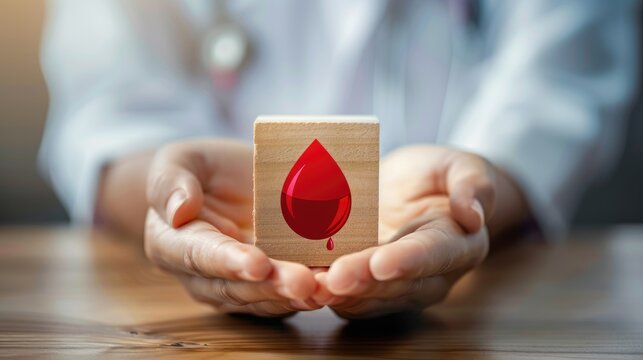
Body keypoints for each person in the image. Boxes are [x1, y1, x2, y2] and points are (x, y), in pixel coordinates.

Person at [39, 0, 638, 318]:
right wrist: (175, 194)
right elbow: (109, 104)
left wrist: (475, 186)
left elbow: (559, 81)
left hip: (485, 306)